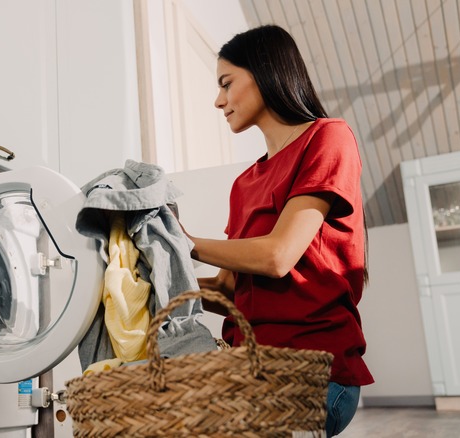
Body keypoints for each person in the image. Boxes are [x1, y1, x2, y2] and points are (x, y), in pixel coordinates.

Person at [183, 24, 374, 437]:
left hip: (311, 374)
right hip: (250, 370)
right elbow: (231, 290)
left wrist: (187, 244)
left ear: (265, 71)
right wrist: (160, 283)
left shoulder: (328, 137)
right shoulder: (244, 183)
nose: (219, 101)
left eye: (226, 83)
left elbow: (277, 256)